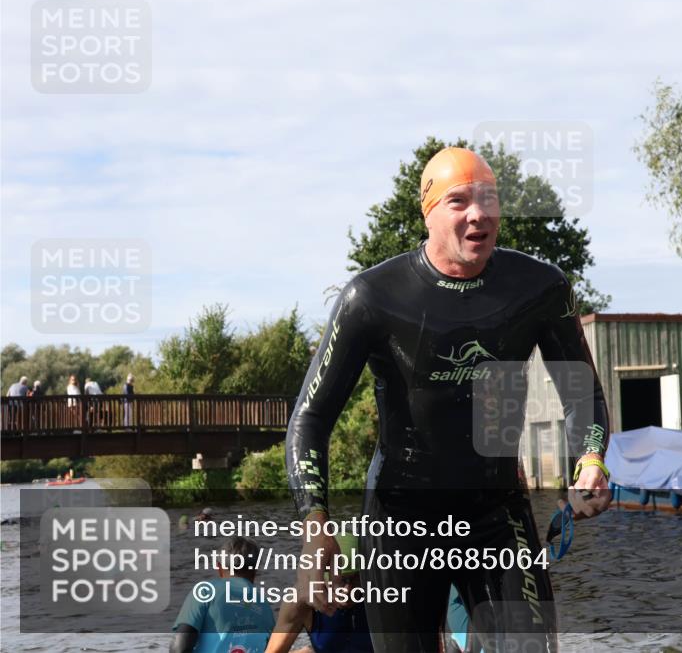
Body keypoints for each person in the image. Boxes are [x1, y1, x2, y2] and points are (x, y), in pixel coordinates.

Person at [286, 147, 612, 652]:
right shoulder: (372, 297)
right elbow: (311, 418)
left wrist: (589, 460)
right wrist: (315, 527)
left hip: (496, 512)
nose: (479, 213)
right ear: (429, 212)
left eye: (489, 199)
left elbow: (582, 392)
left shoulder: (539, 289)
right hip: (399, 518)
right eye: (459, 201)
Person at [265, 534, 373, 653]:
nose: (347, 589)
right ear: (323, 577)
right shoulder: (301, 602)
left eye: (355, 579)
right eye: (342, 580)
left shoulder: (380, 599)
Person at [171, 536, 275, 653]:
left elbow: (179, 648)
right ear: (255, 570)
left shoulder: (205, 591)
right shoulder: (265, 606)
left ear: (219, 567)